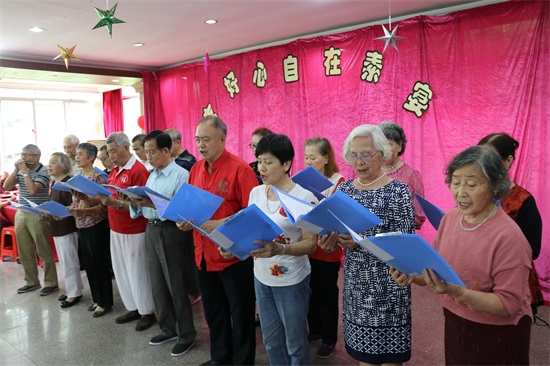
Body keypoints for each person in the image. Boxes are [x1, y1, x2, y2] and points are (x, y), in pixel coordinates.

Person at [391, 145, 533, 365]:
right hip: (456, 321)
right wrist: (410, 274)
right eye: (456, 183)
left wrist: (456, 291)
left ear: (495, 185)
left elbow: (508, 304)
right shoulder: (450, 219)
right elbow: (433, 269)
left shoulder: (509, 237)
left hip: (497, 333)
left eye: (472, 184)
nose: (461, 192)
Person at [318, 124, 415, 365]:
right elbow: (334, 243)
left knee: (390, 359)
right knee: (364, 358)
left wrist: (360, 241)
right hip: (357, 290)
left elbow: (405, 246)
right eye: (353, 155)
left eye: (366, 154)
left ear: (382, 154)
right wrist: (328, 241)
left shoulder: (398, 191)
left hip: (390, 288)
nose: (358, 161)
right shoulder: (346, 191)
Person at [177, 115, 258, 365]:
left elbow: (253, 214)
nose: (200, 145)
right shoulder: (196, 169)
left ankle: (243, 361)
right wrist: (183, 220)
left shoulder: (240, 169)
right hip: (203, 255)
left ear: (223, 138)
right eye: (198, 139)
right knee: (214, 314)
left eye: (206, 139)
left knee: (241, 314)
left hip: (232, 256)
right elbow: (190, 207)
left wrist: (223, 223)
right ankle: (221, 358)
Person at [246, 133, 317, 365]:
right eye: (259, 161)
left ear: (286, 164)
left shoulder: (303, 197)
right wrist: (235, 245)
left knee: (295, 344)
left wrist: (280, 249)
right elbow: (252, 231)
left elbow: (311, 243)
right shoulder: (256, 193)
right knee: (271, 341)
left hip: (291, 279)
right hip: (261, 276)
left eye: (268, 162)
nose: (261, 168)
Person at [128, 130, 197, 357]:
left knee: (176, 285)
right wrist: (134, 201)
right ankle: (167, 328)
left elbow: (180, 212)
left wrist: (150, 202)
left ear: (166, 151)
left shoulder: (180, 175)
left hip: (171, 232)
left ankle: (186, 334)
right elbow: (144, 208)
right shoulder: (152, 175)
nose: (148, 156)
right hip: (151, 230)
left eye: (151, 152)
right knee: (157, 284)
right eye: (145, 152)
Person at [478, 133, 544, 314]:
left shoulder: (523, 200)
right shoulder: (476, 193)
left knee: (508, 339)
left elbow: (533, 249)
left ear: (508, 161)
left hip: (512, 282)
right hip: (477, 279)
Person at [96, 132, 156, 331]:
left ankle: (147, 310)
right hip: (116, 228)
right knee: (122, 271)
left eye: (114, 151)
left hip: (134, 229)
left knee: (138, 271)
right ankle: (133, 306)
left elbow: (143, 203)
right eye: (109, 152)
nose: (111, 156)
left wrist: (115, 203)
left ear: (126, 147)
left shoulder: (137, 170)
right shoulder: (115, 170)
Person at [303, 137, 345, 359]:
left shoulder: (339, 182)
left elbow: (340, 216)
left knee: (327, 294)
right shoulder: (301, 181)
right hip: (307, 245)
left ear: (327, 157)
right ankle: (315, 330)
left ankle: (329, 338)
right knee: (309, 291)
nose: (308, 162)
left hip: (328, 247)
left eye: (313, 157)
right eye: (306, 157)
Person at [3, 144, 58, 295]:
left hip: (38, 212)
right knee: (24, 250)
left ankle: (51, 282)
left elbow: (33, 190)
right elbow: (7, 187)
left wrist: (25, 172)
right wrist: (16, 170)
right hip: (21, 211)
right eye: (22, 154)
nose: (22, 158)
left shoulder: (44, 171)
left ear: (36, 157)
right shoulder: (21, 171)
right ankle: (32, 282)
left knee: (43, 249)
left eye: (25, 155)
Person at [68, 143, 113, 317]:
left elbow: (103, 207)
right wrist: (68, 210)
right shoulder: (77, 177)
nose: (76, 157)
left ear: (91, 157)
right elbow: (76, 203)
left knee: (100, 264)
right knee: (90, 265)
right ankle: (97, 299)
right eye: (76, 154)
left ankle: (105, 301)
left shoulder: (98, 178)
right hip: (81, 225)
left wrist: (83, 211)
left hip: (96, 225)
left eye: (80, 154)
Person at [46, 152, 83, 308]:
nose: (49, 165)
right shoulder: (55, 182)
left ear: (63, 166)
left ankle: (74, 293)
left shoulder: (67, 183)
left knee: (70, 262)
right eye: (49, 162)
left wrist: (60, 213)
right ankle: (72, 290)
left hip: (67, 228)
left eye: (53, 162)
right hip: (58, 228)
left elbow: (74, 206)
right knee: (65, 261)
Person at [378, 122, 426, 230]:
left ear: (399, 146)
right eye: (381, 145)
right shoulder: (371, 172)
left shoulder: (412, 176)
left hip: (399, 238)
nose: (384, 150)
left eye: (389, 144)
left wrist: (388, 222)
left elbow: (418, 216)